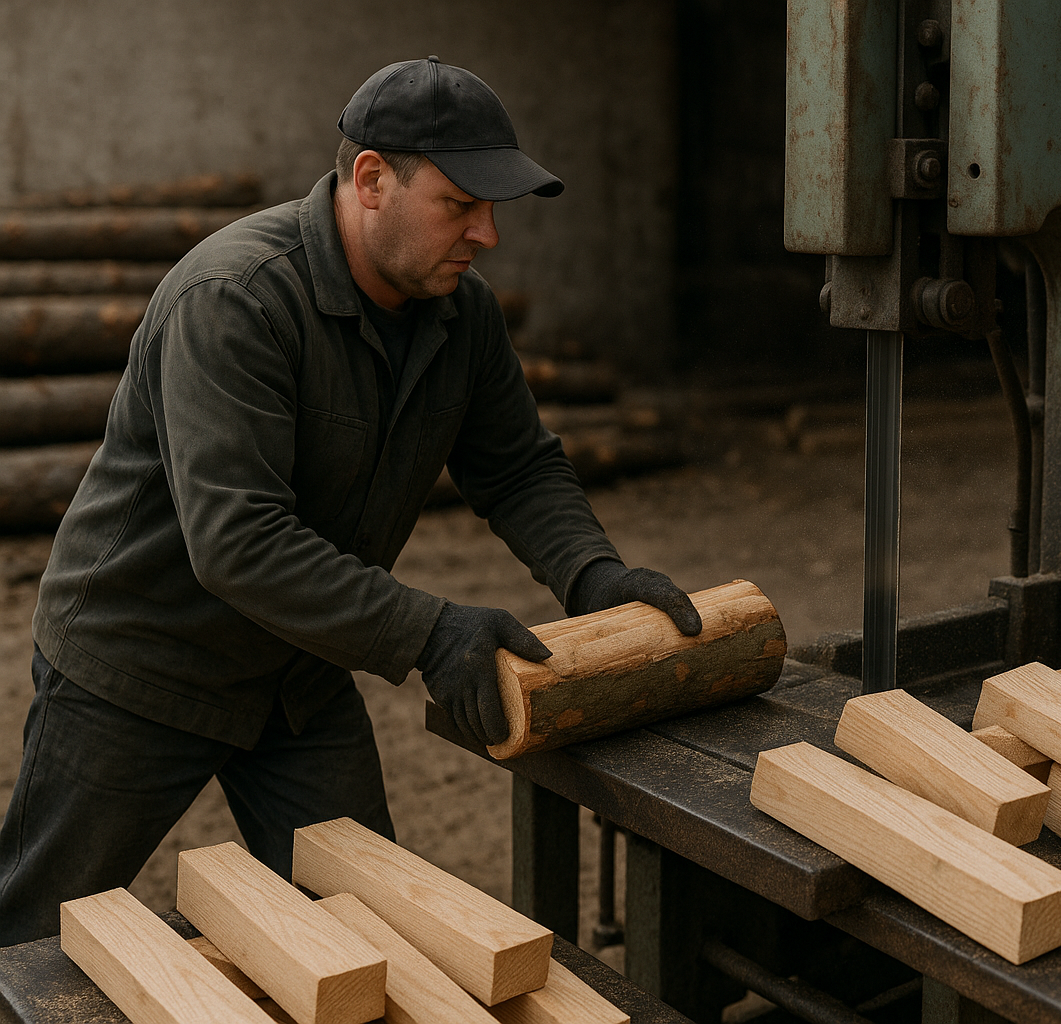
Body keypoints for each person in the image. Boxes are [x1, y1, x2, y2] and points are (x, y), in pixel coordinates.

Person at [0, 57, 700, 945]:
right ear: (371, 179)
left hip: (297, 673)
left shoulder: (461, 315)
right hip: (139, 667)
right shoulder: (235, 301)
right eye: (461, 204)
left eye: (495, 209)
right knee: (29, 942)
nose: (487, 233)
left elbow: (518, 466)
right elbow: (238, 542)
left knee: (372, 936)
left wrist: (594, 577)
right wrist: (431, 632)